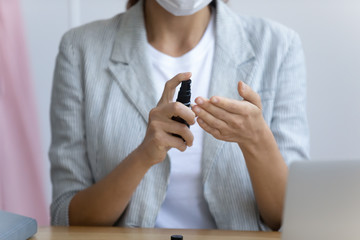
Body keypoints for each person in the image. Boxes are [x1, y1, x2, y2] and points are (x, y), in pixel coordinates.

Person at [49, 0, 309, 231]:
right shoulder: (80, 50)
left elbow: (290, 218)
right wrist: (143, 155)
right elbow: (67, 217)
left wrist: (257, 141)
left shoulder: (279, 46)